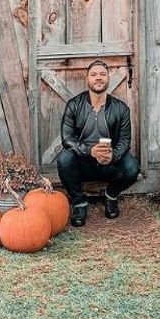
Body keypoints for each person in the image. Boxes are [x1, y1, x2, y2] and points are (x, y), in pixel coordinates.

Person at [55, 60, 139, 226]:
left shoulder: (121, 109)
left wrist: (113, 156)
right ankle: (79, 202)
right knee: (64, 159)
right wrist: (89, 151)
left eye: (102, 74)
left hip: (109, 165)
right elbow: (67, 138)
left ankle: (111, 195)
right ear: (87, 79)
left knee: (132, 166)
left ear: (108, 79)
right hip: (83, 163)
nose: (98, 78)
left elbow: (124, 140)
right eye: (94, 74)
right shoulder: (74, 105)